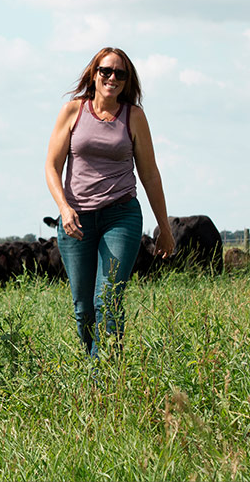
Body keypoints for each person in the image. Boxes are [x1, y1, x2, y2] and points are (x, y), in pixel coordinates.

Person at [45, 47, 174, 358]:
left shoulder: (134, 116)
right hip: (77, 220)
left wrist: (165, 228)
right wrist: (64, 208)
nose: (112, 77)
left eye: (120, 73)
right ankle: (94, 364)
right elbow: (51, 166)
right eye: (106, 71)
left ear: (128, 80)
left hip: (121, 216)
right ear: (94, 73)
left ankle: (107, 373)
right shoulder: (73, 111)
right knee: (83, 306)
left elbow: (150, 175)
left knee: (109, 297)